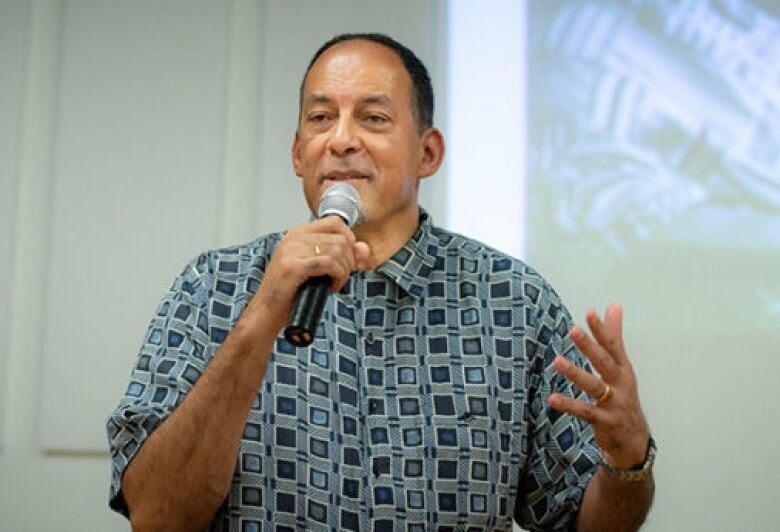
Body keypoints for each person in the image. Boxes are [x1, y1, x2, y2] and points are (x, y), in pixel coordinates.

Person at [107, 33, 654, 531]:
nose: (341, 140)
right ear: (298, 153)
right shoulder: (213, 286)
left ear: (428, 152)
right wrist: (262, 314)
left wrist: (628, 461)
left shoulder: (516, 303)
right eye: (321, 119)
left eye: (373, 118)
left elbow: (587, 524)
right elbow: (157, 516)